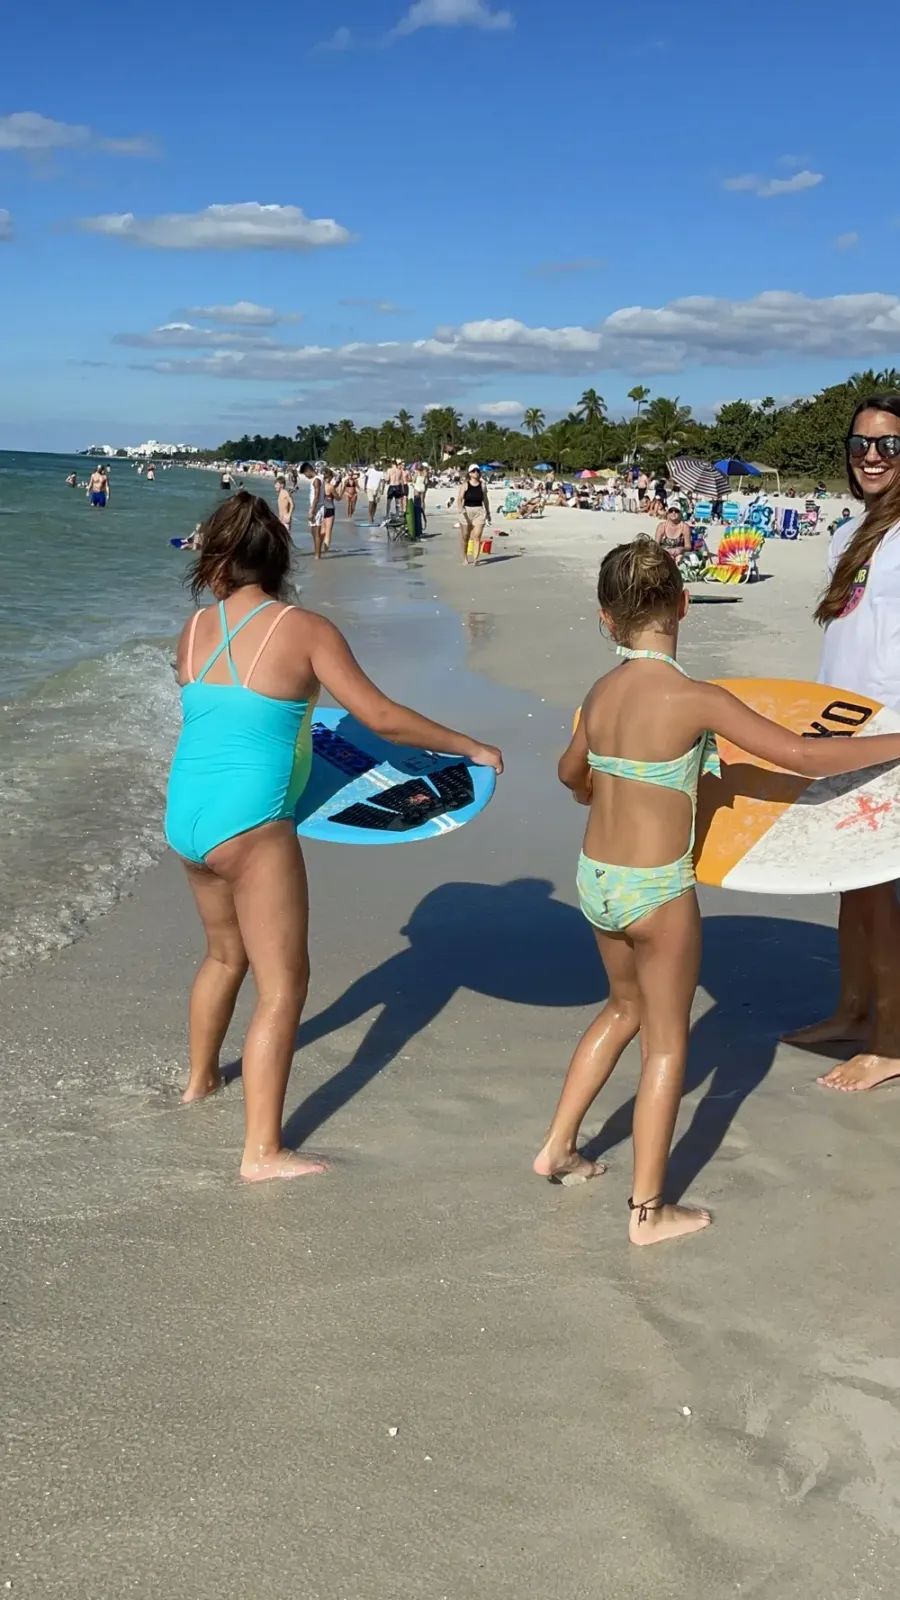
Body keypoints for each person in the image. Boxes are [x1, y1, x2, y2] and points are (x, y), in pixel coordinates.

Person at [533, 538, 900, 1243]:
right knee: (667, 1046)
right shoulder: (695, 700)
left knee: (621, 1009)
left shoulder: (600, 694)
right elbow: (802, 755)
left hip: (597, 878)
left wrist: (593, 790)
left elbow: (569, 772)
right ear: (684, 604)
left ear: (606, 619)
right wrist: (894, 741)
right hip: (658, 890)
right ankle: (648, 1211)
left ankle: (558, 1147)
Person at [165, 492, 503, 1182]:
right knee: (284, 984)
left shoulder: (194, 630)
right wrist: (470, 746)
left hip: (187, 816)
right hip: (251, 824)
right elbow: (381, 718)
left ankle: (199, 1082)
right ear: (280, 557)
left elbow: (232, 722)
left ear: (216, 559)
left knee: (224, 956)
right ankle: (262, 1152)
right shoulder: (304, 630)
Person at [784, 394, 900, 1090]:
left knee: (878, 892)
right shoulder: (848, 533)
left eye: (889, 445)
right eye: (861, 445)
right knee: (848, 884)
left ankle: (891, 1040)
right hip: (840, 726)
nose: (872, 457)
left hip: (891, 733)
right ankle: (854, 1011)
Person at [457, 465, 491, 566]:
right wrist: (460, 508)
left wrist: (488, 512)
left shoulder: (483, 485)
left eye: (477, 471)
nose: (476, 472)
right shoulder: (465, 485)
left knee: (477, 536)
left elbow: (485, 500)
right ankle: (465, 558)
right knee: (465, 536)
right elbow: (459, 498)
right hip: (466, 511)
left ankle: (476, 559)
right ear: (470, 474)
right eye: (473, 471)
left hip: (479, 511)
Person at [299, 461, 325, 559]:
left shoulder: (316, 480)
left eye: (305, 474)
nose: (306, 476)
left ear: (308, 471)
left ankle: (317, 555)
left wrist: (312, 510)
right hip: (317, 506)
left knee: (316, 532)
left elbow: (317, 496)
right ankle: (316, 552)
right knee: (313, 531)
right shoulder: (319, 479)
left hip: (317, 507)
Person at [321, 469, 340, 551]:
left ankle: (318, 547)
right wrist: (341, 490)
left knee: (322, 530)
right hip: (329, 508)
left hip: (320, 509)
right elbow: (338, 498)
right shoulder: (330, 487)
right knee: (328, 532)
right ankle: (325, 550)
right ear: (329, 477)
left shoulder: (318, 486)